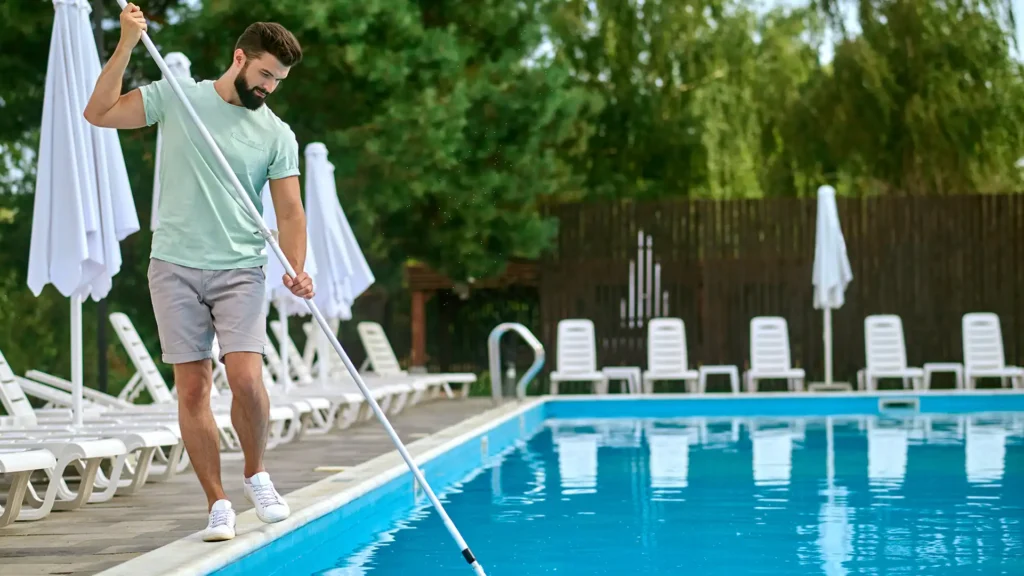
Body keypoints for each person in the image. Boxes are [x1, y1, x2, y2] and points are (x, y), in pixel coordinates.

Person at [84, 4, 314, 542]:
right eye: (264, 75)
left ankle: (257, 473)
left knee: (247, 379)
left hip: (240, 267)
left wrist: (297, 268)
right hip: (175, 266)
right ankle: (218, 504)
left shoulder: (277, 135)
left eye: (278, 80)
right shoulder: (178, 96)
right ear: (240, 57)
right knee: (192, 389)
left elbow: (290, 213)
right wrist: (126, 47)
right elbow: (98, 113)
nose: (270, 88)